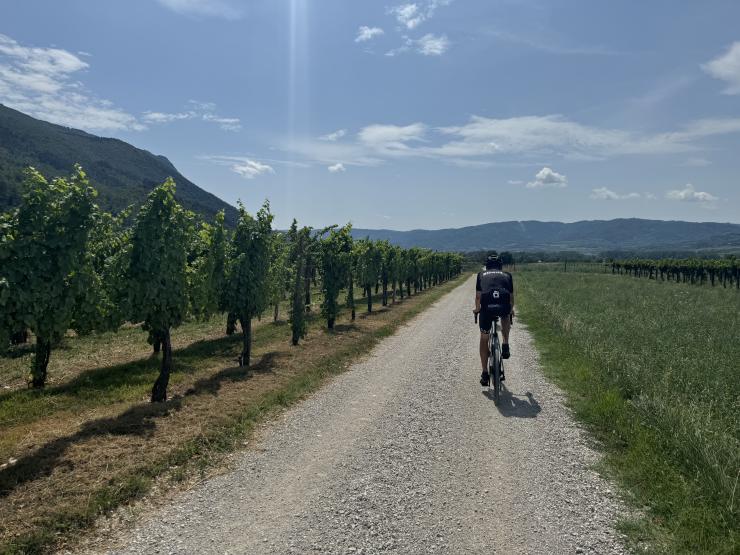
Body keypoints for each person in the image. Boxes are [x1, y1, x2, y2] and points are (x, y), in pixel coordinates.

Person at [473, 252, 514, 386]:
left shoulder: (480, 275)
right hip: (502, 306)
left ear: (487, 266)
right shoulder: (508, 275)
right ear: (500, 266)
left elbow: (479, 297)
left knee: (484, 338)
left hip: (486, 309)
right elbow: (511, 299)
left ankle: (485, 373)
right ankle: (505, 343)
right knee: (506, 314)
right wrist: (511, 309)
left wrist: (477, 309)